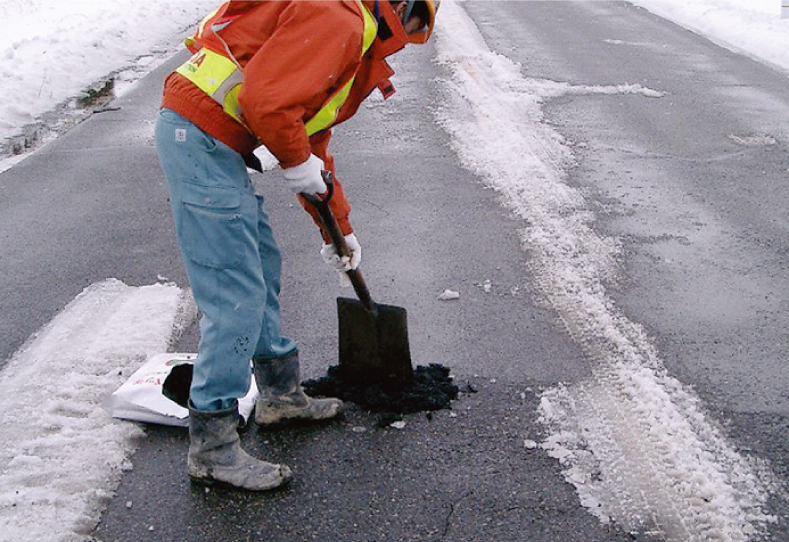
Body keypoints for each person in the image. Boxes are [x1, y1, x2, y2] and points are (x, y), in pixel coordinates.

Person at [154, 0, 439, 491]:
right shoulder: (340, 19)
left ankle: (280, 396)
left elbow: (310, 136)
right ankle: (214, 444)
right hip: (200, 137)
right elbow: (267, 103)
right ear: (401, 7)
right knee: (234, 293)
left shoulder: (346, 23)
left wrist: (337, 230)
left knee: (261, 266)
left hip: (210, 139)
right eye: (416, 25)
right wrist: (296, 162)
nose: (409, 38)